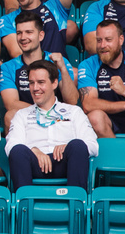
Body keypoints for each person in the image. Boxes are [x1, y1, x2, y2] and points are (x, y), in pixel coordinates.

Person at [5, 60, 99, 190]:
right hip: (34, 164)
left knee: (78, 145)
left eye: (41, 82)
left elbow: (93, 146)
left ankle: (75, 204)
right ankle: (25, 206)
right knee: (18, 150)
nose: (35, 88)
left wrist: (68, 147)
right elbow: (11, 145)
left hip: (65, 164)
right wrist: (33, 149)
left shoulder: (73, 111)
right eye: (31, 83)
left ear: (54, 83)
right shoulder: (22, 115)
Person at [0, 11, 80, 129]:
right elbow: (11, 104)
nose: (23, 37)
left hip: (57, 119)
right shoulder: (8, 67)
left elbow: (72, 101)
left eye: (29, 32)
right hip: (28, 120)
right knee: (10, 116)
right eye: (19, 33)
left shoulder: (57, 61)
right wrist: (44, 113)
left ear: (41, 35)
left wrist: (62, 68)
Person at [0, 0, 75, 58]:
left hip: (59, 69)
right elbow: (17, 53)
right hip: (30, 70)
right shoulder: (7, 21)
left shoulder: (56, 7)